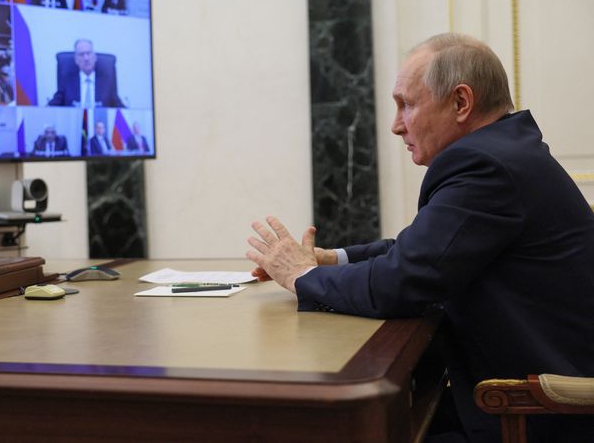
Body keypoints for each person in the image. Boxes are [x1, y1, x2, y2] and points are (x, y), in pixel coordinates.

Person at [246, 33, 594, 442]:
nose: (396, 125)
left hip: (534, 413)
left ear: (461, 103)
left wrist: (301, 274)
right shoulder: (505, 152)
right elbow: (422, 250)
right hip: (509, 388)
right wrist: (330, 260)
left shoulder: (484, 166)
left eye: (406, 104)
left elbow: (403, 280)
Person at [48, 39, 123, 108]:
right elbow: (54, 104)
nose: (86, 58)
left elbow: (119, 107)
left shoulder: (106, 81)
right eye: (81, 54)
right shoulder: (67, 80)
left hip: (100, 121)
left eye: (88, 53)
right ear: (76, 60)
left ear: (95, 57)